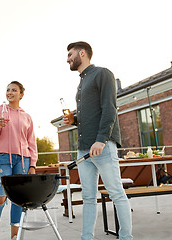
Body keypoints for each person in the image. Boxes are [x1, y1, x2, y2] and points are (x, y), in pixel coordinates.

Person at [63, 41, 133, 240]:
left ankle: (126, 237)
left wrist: (101, 140)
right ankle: (87, 238)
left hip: (102, 146)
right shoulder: (81, 81)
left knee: (116, 194)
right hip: (84, 149)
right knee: (88, 197)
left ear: (82, 53)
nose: (67, 58)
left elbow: (110, 108)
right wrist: (75, 119)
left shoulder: (102, 73)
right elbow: (92, 115)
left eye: (70, 54)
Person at [0, 81, 38, 240]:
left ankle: (15, 236)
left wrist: (32, 165)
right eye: (8, 90)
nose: (10, 92)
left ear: (21, 94)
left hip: (23, 160)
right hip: (2, 158)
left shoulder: (27, 117)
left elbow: (31, 143)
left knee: (19, 200)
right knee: (0, 197)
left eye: (14, 90)